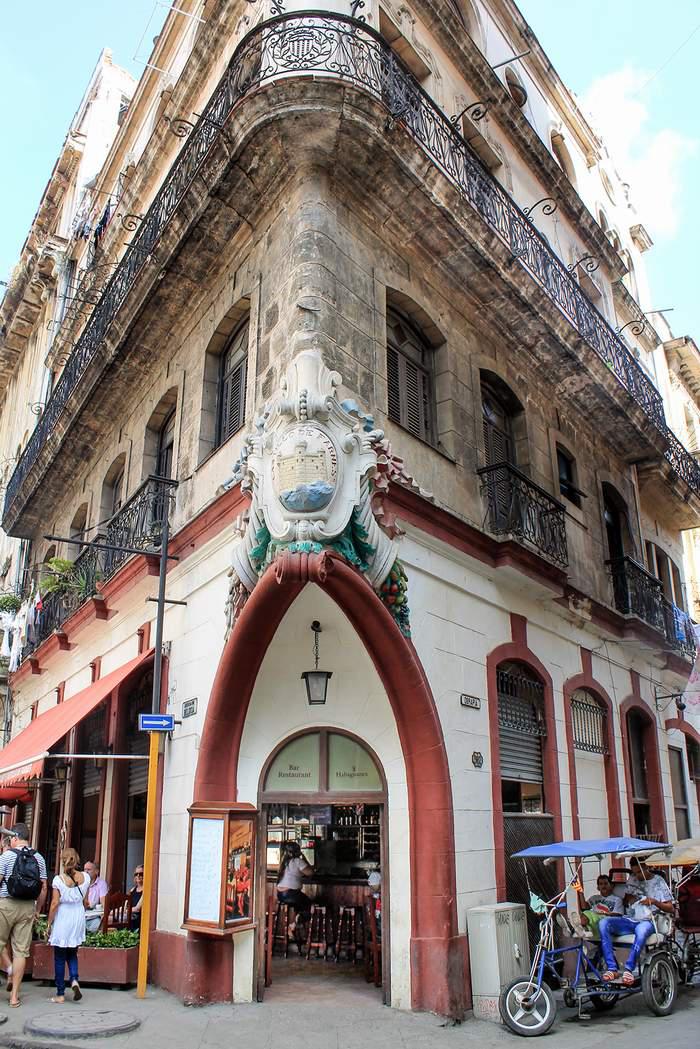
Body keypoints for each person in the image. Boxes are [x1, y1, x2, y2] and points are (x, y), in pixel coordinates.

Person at [599, 855, 673, 986]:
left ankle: (628, 969)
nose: (637, 875)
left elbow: (670, 908)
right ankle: (612, 968)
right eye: (634, 872)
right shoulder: (632, 879)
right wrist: (630, 899)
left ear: (646, 867)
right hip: (630, 919)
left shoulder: (658, 881)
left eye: (639, 872)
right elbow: (626, 900)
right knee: (604, 923)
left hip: (649, 920)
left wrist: (654, 901)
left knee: (641, 929)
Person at [0, 823, 47, 1008]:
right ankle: (14, 997)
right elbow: (43, 887)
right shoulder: (39, 857)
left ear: (14, 838)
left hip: (6, 904)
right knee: (21, 951)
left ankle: (8, 968)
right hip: (28, 906)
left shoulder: (6, 856)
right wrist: (37, 909)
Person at [46, 848, 90, 1004]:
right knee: (72, 952)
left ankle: (60, 993)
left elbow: (55, 903)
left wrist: (49, 923)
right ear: (77, 859)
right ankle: (74, 980)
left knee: (59, 956)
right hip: (78, 915)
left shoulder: (58, 880)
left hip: (64, 917)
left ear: (62, 860)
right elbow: (86, 901)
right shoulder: (86, 877)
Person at [568, 873, 623, 939]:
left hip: (606, 922)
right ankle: (579, 929)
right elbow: (584, 907)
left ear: (611, 886)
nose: (603, 886)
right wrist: (580, 891)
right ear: (598, 887)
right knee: (586, 913)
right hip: (593, 923)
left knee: (587, 913)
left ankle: (573, 928)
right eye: (601, 884)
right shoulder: (594, 898)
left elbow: (618, 915)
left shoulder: (617, 899)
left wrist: (603, 913)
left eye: (606, 883)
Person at [276, 841, 313, 940]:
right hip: (292, 895)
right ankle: (294, 925)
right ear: (297, 851)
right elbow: (310, 872)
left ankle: (297, 921)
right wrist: (304, 857)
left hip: (280, 895)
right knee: (310, 906)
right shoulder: (297, 861)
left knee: (300, 904)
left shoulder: (283, 863)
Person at [83, 860, 108, 933]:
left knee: (96, 925)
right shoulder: (80, 883)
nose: (86, 872)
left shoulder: (101, 883)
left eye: (89, 870)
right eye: (85, 869)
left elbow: (104, 903)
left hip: (93, 917)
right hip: (80, 916)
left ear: (96, 871)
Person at [129, 866, 144, 931]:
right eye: (136, 874)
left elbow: (137, 909)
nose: (138, 876)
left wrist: (126, 911)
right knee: (108, 917)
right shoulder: (132, 890)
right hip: (129, 915)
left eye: (141, 874)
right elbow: (126, 905)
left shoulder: (145, 891)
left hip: (137, 918)